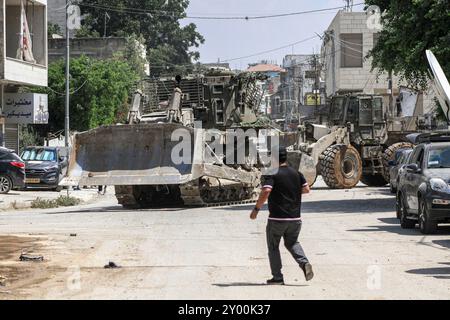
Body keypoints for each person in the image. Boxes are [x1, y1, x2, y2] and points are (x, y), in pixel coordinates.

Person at [250, 146, 314, 285]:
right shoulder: (296, 173)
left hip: (277, 219)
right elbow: (306, 189)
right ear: (286, 157)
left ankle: (277, 277)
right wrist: (290, 192)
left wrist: (256, 209)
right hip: (295, 219)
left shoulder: (272, 174)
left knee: (273, 247)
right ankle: (304, 263)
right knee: (292, 243)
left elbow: (266, 191)